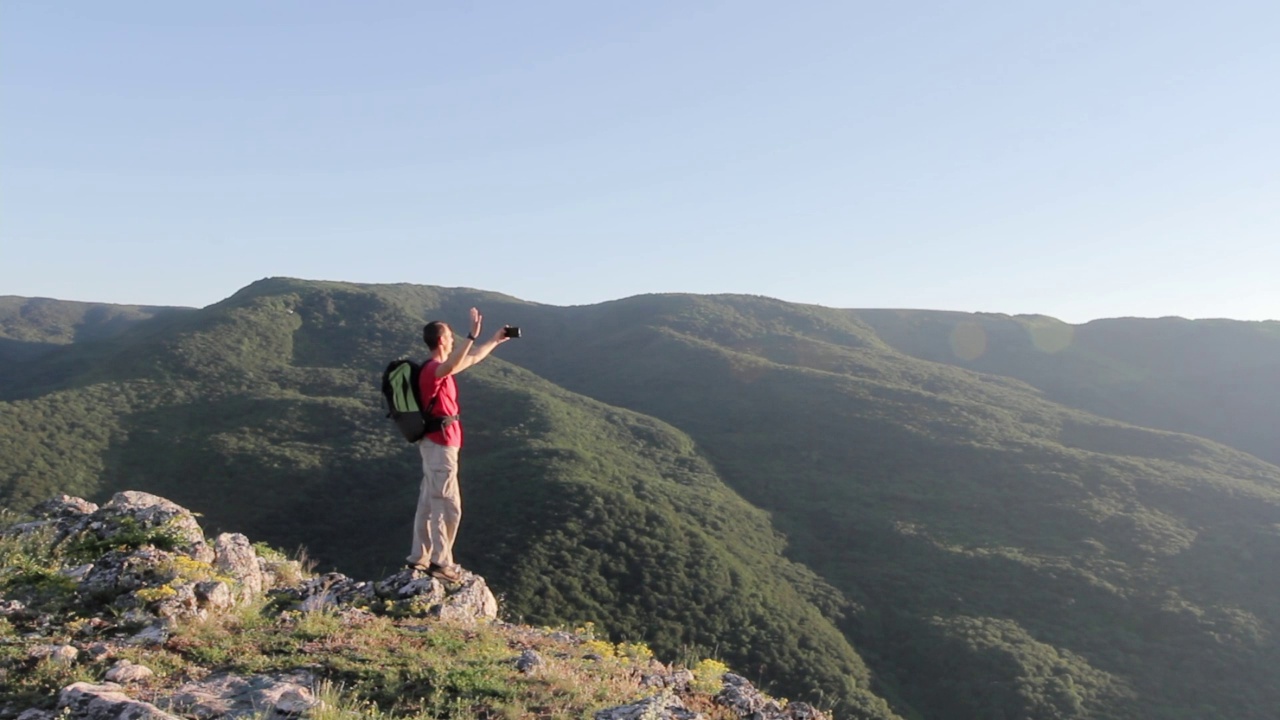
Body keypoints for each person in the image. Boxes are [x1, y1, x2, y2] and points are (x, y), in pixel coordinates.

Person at [406, 306, 510, 582]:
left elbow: (471, 360)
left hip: (435, 444)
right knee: (447, 504)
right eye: (450, 337)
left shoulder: (438, 371)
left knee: (429, 501)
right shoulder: (433, 371)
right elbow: (454, 363)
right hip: (440, 444)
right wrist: (471, 335)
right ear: (441, 341)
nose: (452, 341)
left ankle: (419, 558)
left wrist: (493, 340)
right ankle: (440, 563)